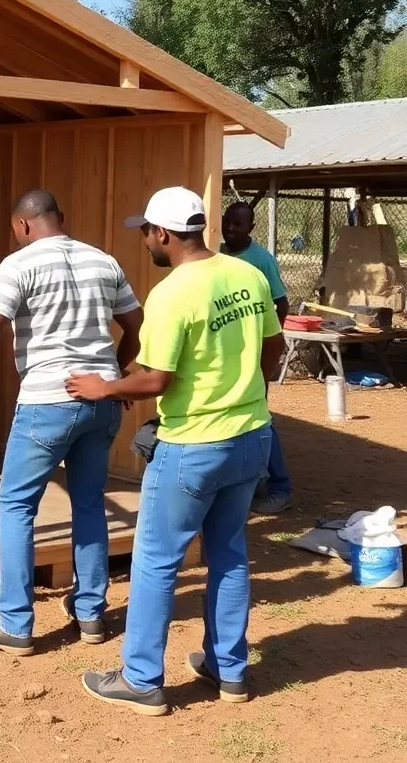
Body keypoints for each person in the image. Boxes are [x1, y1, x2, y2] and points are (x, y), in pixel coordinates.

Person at [67, 186, 285, 716]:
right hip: (252, 436)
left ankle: (141, 680)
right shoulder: (248, 274)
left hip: (193, 446)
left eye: (145, 231)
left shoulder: (171, 292)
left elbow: (157, 379)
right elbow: (274, 346)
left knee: (156, 561)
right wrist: (243, 392)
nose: (144, 240)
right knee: (229, 552)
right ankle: (228, 668)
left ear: (163, 234)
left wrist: (105, 387)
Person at [0, 189, 143, 656]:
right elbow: (135, 323)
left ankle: (15, 622)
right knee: (88, 504)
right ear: (59, 219)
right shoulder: (103, 261)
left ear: (22, 226)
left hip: (46, 401)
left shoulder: (19, 264)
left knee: (15, 506)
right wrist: (115, 373)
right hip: (101, 400)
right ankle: (90, 614)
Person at [222, 201, 292, 514]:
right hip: (226, 354)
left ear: (251, 227)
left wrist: (267, 346)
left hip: (254, 353)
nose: (231, 229)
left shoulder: (261, 259)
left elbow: (281, 304)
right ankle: (248, 484)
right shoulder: (217, 255)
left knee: (260, 417)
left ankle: (279, 487)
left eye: (238, 224)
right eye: (227, 222)